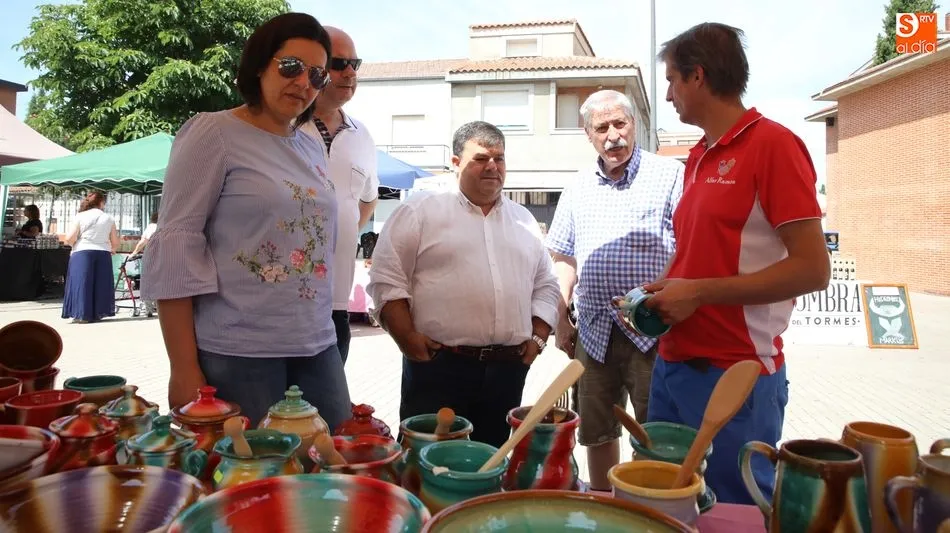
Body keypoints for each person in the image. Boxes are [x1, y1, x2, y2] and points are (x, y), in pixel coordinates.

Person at [645, 22, 830, 505]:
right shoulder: (698, 156)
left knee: (731, 511)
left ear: (698, 76)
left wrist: (700, 292)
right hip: (672, 364)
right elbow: (704, 256)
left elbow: (813, 268)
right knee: (663, 501)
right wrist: (665, 286)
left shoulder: (773, 145)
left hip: (735, 375)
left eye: (671, 81)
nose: (667, 96)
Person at [141, 12, 351, 430]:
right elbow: (178, 244)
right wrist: (183, 368)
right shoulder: (213, 133)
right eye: (290, 66)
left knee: (329, 475)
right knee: (252, 481)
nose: (303, 83)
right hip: (239, 352)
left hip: (318, 344)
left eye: (316, 75)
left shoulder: (310, 149)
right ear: (259, 65)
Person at [367, 121, 560, 448]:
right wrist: (407, 339)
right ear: (455, 163)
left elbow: (546, 284)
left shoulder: (523, 220)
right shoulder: (420, 211)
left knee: (491, 460)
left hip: (507, 370)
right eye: (481, 158)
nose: (492, 167)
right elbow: (387, 280)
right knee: (427, 464)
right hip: (439, 367)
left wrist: (539, 338)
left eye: (499, 159)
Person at [545, 89, 684, 491]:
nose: (613, 136)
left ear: (634, 124)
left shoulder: (670, 175)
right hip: (594, 331)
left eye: (619, 124)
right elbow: (564, 260)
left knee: (653, 431)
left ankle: (646, 503)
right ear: (588, 134)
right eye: (601, 128)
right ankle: (605, 504)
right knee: (597, 428)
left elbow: (689, 244)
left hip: (653, 330)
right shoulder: (576, 188)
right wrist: (560, 320)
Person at [301, 26, 378, 365]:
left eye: (355, 64)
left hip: (337, 307)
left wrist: (342, 232)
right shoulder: (281, 127)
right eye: (339, 63)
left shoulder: (362, 135)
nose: (350, 72)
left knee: (330, 415)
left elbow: (367, 198)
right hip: (279, 307)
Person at [62, 192, 120, 323]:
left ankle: (81, 314)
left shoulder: (80, 216)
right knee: (100, 283)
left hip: (82, 250)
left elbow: (69, 238)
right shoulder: (109, 218)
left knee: (81, 283)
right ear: (101, 203)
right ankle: (98, 312)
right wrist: (113, 249)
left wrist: (74, 245)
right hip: (103, 252)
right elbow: (115, 242)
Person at [130, 212, 158, 316]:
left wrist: (134, 253)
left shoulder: (152, 227)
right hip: (165, 256)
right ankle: (159, 306)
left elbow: (143, 241)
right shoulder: (166, 226)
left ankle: (149, 308)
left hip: (152, 256)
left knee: (148, 281)